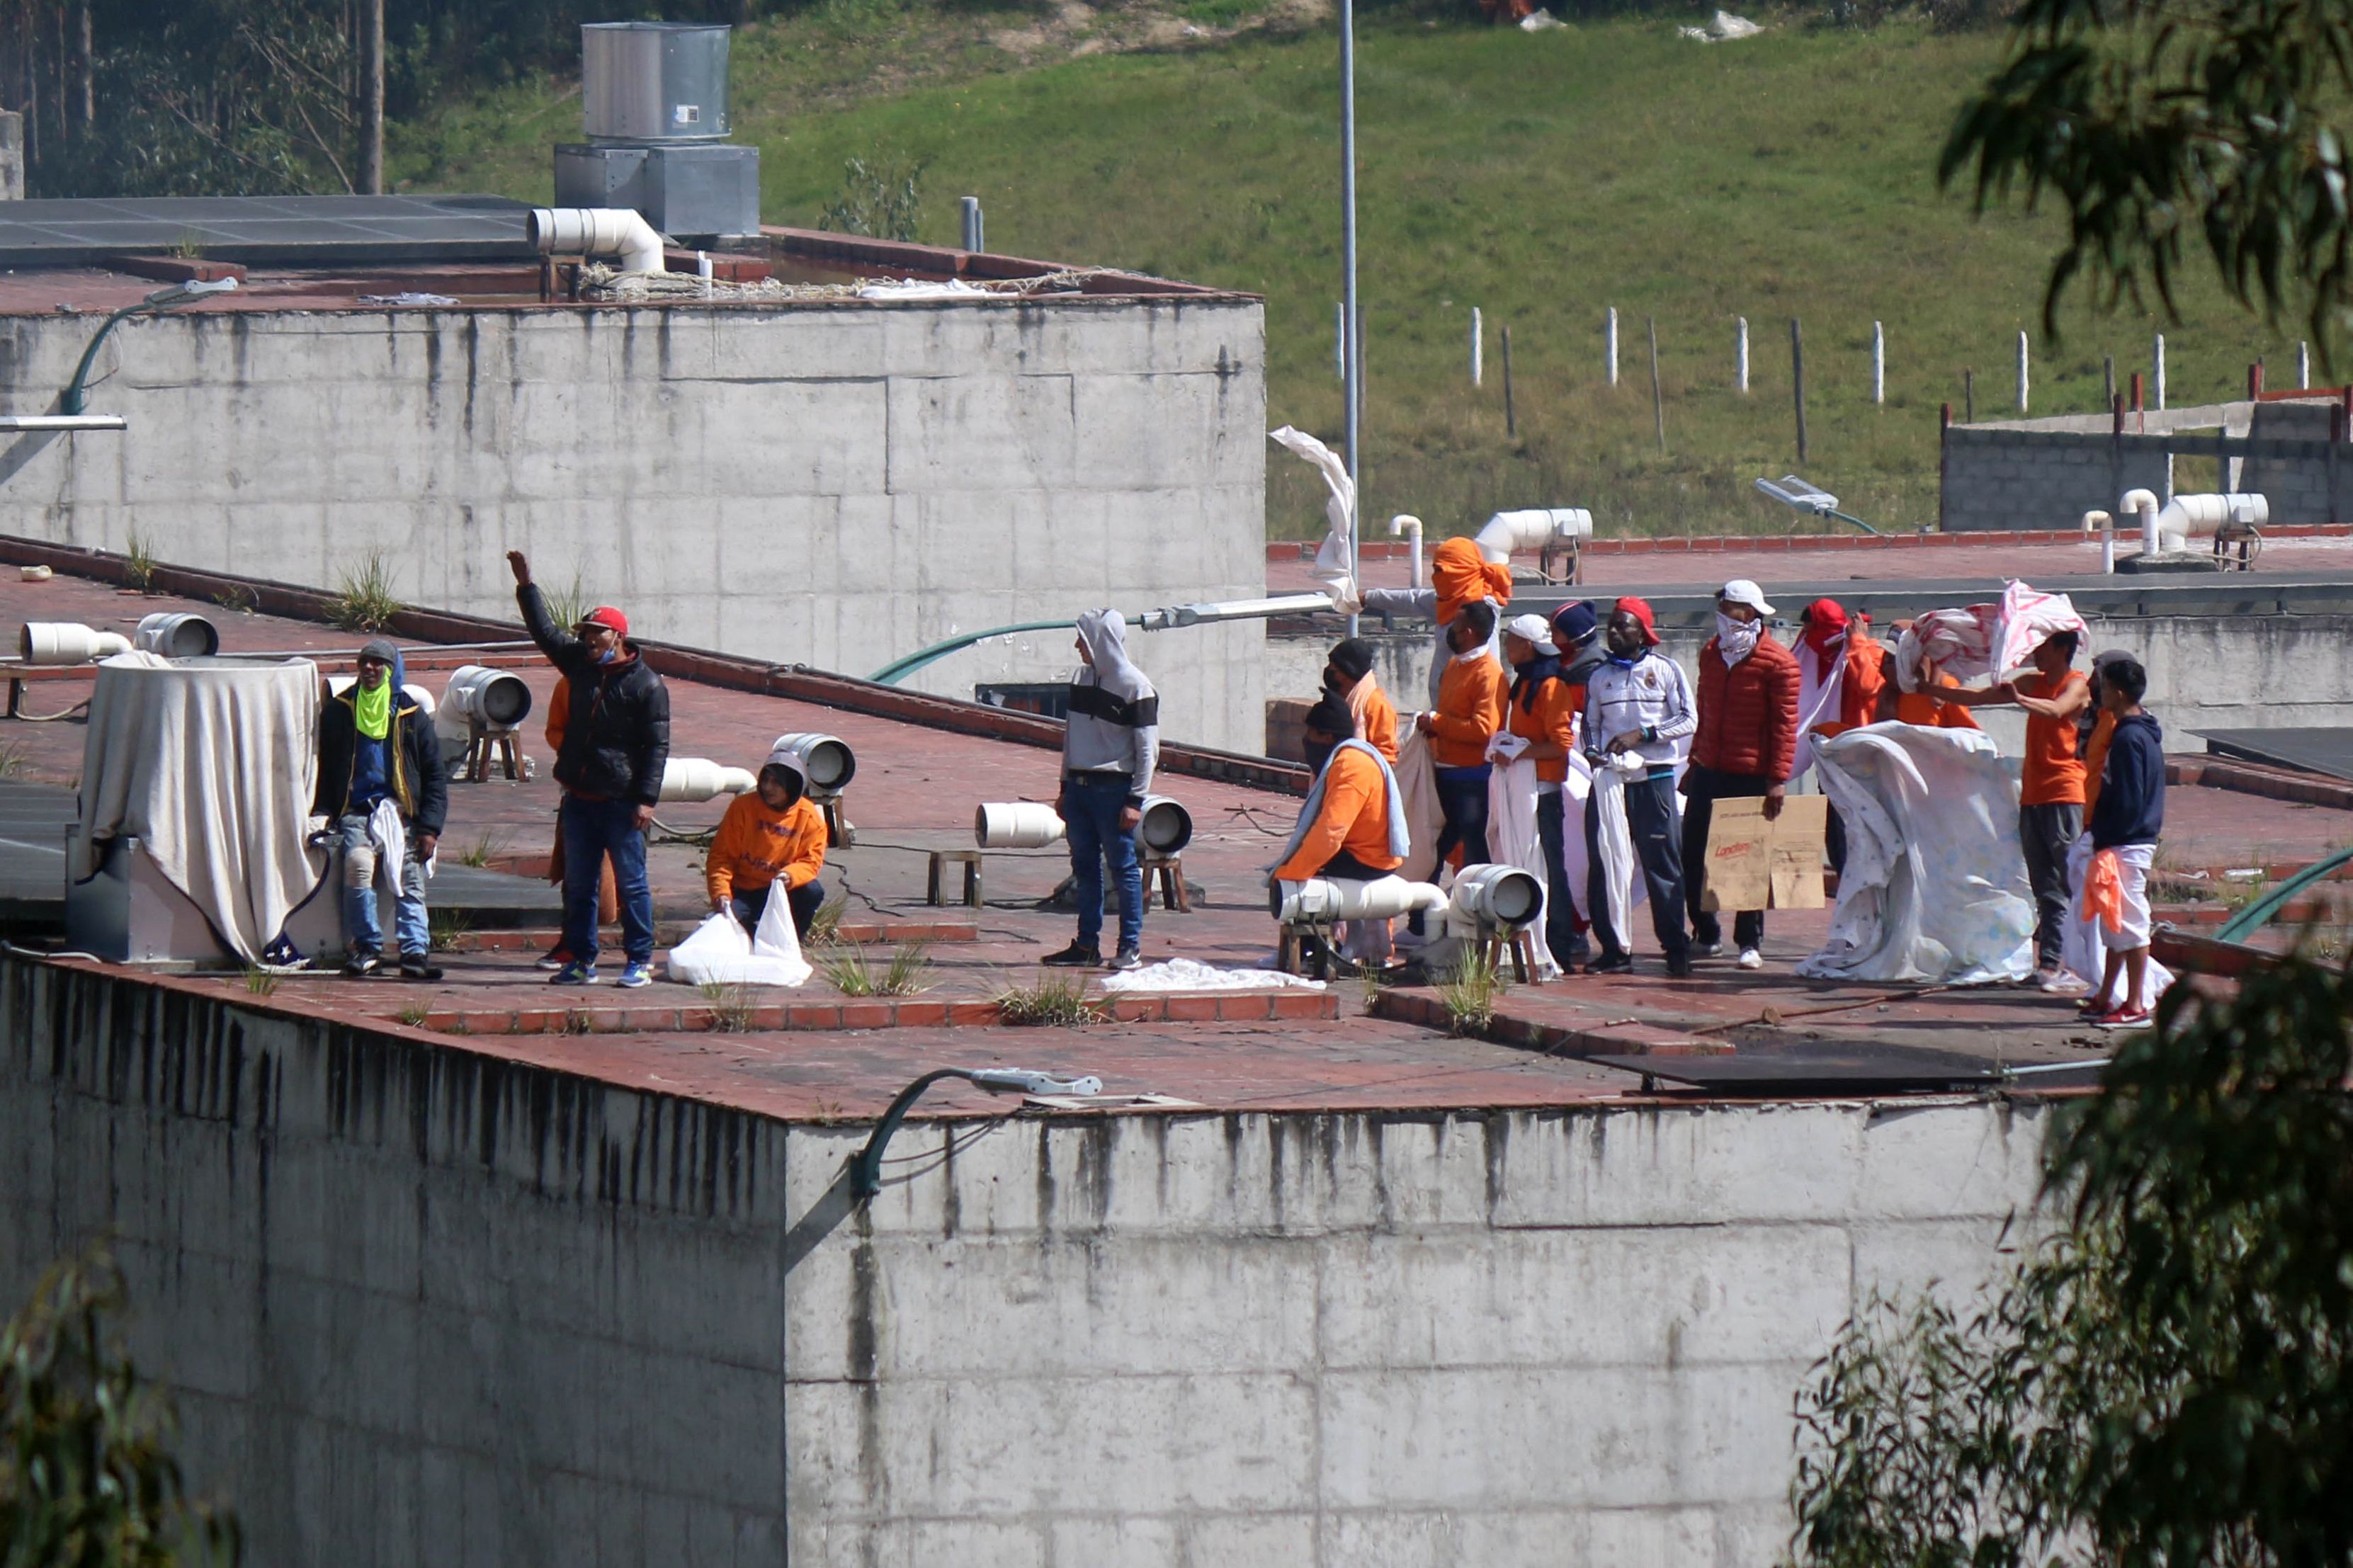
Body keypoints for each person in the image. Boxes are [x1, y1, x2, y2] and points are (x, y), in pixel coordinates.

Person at [506, 552, 670, 988]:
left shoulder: (646, 685)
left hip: (621, 803)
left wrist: (646, 800)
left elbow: (657, 746)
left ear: (617, 636)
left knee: (633, 885)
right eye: (584, 634)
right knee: (580, 886)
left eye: (595, 635)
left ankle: (639, 960)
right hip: (579, 798)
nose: (587, 641)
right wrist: (527, 587)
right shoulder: (580, 665)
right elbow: (545, 633)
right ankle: (581, 959)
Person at [1931, 630, 2092, 987]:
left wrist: (2018, 698)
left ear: (2063, 649)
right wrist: (1931, 690)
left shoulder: (2076, 683)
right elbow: (1977, 696)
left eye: (2043, 647)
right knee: (2045, 886)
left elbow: (2057, 710)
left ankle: (2085, 963)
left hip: (2065, 794)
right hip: (2033, 796)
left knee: (2072, 881)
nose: (2036, 653)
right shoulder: (2033, 682)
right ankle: (2050, 964)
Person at [1682, 580, 1800, 970]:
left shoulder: (1778, 662)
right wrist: (1694, 761)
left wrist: (1778, 778)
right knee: (1694, 853)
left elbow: (1785, 726)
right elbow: (1705, 712)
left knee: (1746, 859)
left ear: (1749, 613)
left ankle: (1749, 940)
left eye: (1730, 608)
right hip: (1710, 768)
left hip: (1751, 773)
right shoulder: (1713, 655)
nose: (1723, 615)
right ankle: (1706, 932)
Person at [314, 638, 446, 980]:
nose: (370, 669)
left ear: (392, 670)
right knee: (357, 865)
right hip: (357, 812)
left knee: (409, 874)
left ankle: (415, 950)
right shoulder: (341, 711)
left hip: (401, 813)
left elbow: (434, 775)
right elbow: (324, 767)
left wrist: (429, 827)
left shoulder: (410, 715)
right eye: (364, 663)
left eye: (378, 663)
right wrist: (324, 810)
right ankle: (368, 946)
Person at [1582, 596, 1695, 977]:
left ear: (1642, 632)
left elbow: (1687, 720)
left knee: (1662, 866)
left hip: (1654, 779)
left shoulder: (1665, 670)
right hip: (1611, 781)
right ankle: (1614, 949)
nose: (1614, 632)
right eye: (1610, 625)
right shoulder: (1599, 677)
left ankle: (1675, 948)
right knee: (1606, 864)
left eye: (1623, 626)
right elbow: (1591, 725)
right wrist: (1595, 753)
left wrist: (1644, 734)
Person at [1043, 608, 1160, 971]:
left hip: (1114, 790)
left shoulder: (1135, 686)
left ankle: (1129, 947)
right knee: (1085, 867)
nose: (1078, 645)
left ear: (1100, 640)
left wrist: (1136, 799)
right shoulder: (1081, 678)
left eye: (1083, 637)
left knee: (1123, 868)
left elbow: (1147, 750)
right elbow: (1071, 735)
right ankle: (1087, 944)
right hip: (1079, 788)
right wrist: (1064, 786)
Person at [1271, 695, 1409, 967]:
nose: (1306, 741)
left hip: (1369, 860)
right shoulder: (1350, 759)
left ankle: (1311, 951)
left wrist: (1292, 872)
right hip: (1366, 853)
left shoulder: (1352, 766)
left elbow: (1330, 832)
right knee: (1306, 864)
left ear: (1326, 736)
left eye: (1310, 734)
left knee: (1308, 880)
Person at [1499, 611, 1587, 969]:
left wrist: (1522, 752)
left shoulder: (1551, 688)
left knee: (1549, 867)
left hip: (1543, 791)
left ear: (1528, 647)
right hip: (1522, 787)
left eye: (1511, 642)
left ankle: (1557, 945)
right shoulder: (1523, 683)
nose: (1506, 647)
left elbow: (1561, 744)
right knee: (1523, 862)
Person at [2083, 657, 2164, 1029]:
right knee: (2113, 923)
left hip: (2127, 841)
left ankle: (2135, 1005)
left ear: (2116, 692)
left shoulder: (2130, 737)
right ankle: (2107, 995)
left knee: (2130, 922)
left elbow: (2129, 798)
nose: (2098, 694)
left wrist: (2108, 835)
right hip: (2123, 839)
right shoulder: (2138, 732)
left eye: (2102, 687)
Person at [1362, 535, 1513, 708]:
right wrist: (1368, 598)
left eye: (1440, 571)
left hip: (1469, 708)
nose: (1435, 578)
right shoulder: (1449, 600)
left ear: (1459, 571)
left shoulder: (1481, 608)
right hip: (1445, 707)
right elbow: (1413, 599)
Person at [1795, 598, 1885, 874]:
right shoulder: (1814, 651)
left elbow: (1867, 686)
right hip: (1832, 753)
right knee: (1836, 829)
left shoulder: (1870, 652)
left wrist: (1856, 644)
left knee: (1860, 830)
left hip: (1865, 757)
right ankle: (1844, 873)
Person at [1414, 599, 1505, 873]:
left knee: (1475, 848)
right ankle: (1423, 914)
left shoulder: (1489, 674)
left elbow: (1483, 729)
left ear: (1468, 633)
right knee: (1433, 847)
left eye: (1455, 625)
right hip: (1444, 771)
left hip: (1471, 778)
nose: (1449, 630)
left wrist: (1437, 723)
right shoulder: (1454, 665)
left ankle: (1479, 911)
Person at [536, 675, 619, 972]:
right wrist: (577, 750)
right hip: (577, 790)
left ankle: (638, 953)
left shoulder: (633, 682)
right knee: (575, 873)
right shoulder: (568, 684)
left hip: (620, 792)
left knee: (629, 878)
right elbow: (554, 730)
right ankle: (574, 944)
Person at [705, 746, 829, 939]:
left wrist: (790, 875)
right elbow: (721, 857)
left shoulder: (809, 816)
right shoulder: (743, 808)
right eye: (765, 780)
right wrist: (721, 893)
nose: (768, 788)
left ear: (792, 786)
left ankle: (792, 941)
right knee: (724, 926)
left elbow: (811, 861)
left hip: (781, 892)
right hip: (744, 891)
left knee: (812, 891)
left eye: (776, 783)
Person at [1324, 637, 1397, 762]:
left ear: (1348, 671)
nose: (1329, 670)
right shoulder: (1338, 700)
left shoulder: (1376, 705)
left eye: (1334, 667)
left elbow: (1385, 755)